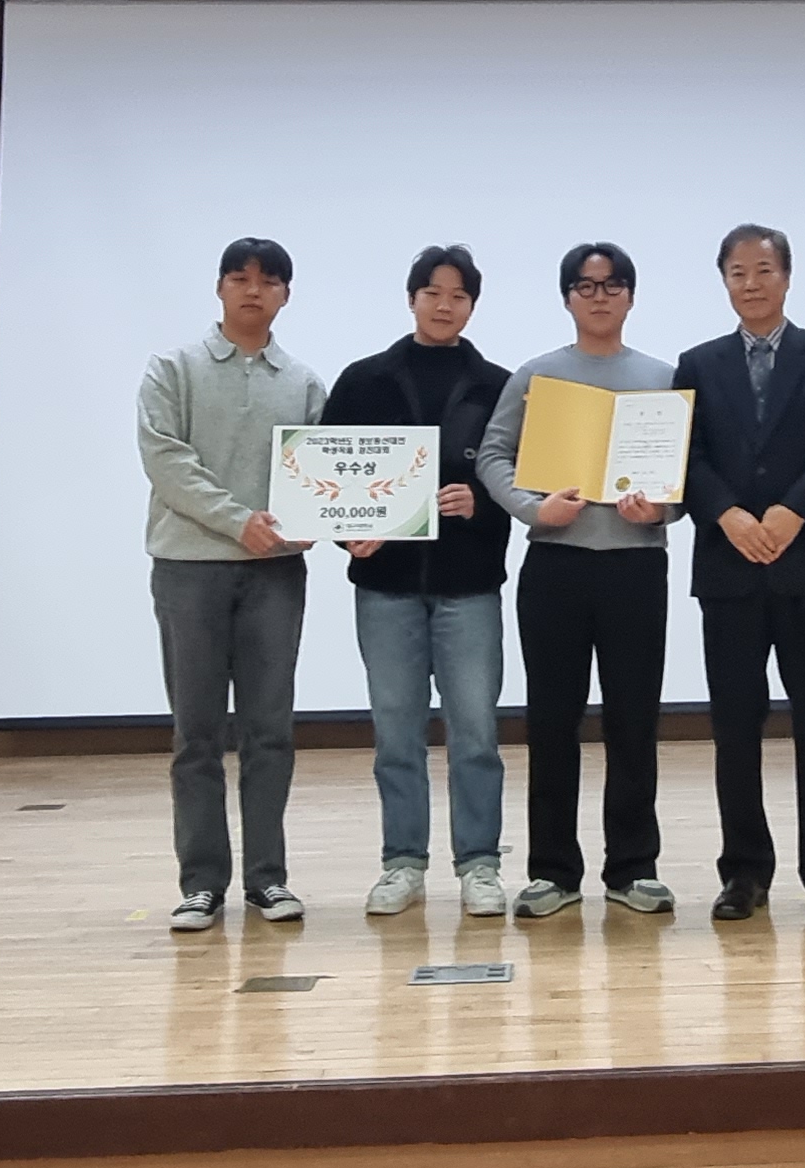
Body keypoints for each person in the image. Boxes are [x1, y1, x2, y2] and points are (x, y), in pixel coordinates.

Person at [476, 243, 680, 920]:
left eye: (613, 284)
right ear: (567, 296)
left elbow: (686, 474)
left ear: (631, 296)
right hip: (556, 566)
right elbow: (494, 455)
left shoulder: (662, 378)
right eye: (586, 285)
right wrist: (534, 508)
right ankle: (553, 871)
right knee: (551, 720)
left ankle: (633, 867)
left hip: (635, 565)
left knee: (634, 719)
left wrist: (663, 510)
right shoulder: (537, 376)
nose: (600, 296)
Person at [677, 224, 805, 924]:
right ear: (724, 281)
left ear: (786, 276)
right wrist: (727, 514)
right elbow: (687, 454)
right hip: (729, 566)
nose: (751, 283)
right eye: (737, 272)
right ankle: (744, 873)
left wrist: (792, 513)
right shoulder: (697, 363)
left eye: (763, 270)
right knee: (734, 723)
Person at [135, 237, 328, 933]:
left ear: (285, 295)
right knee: (197, 734)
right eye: (240, 278)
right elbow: (167, 462)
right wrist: (237, 521)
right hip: (188, 570)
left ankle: (267, 879)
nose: (253, 290)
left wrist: (322, 522)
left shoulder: (302, 383)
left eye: (269, 281)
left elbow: (320, 475)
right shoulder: (173, 369)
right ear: (220, 287)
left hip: (275, 574)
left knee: (270, 731)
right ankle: (201, 883)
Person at [317, 246, 516, 919]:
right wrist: (348, 532)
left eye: (458, 295)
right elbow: (327, 479)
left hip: (470, 587)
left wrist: (480, 504)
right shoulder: (363, 381)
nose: (443, 305)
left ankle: (480, 864)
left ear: (472, 306)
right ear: (411, 299)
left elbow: (524, 482)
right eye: (432, 292)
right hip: (386, 587)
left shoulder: (498, 386)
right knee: (396, 733)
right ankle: (402, 862)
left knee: (476, 733)